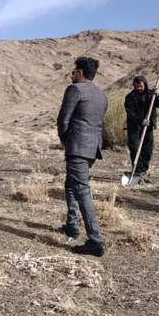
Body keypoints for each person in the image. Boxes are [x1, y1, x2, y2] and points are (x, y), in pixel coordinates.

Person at [56, 57, 109, 257]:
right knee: (71, 184)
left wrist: (63, 137)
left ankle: (96, 241)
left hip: (77, 146)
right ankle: (71, 225)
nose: (72, 74)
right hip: (93, 148)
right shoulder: (102, 95)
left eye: (73, 71)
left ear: (80, 72)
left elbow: (64, 117)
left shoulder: (75, 90)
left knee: (82, 191)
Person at [124, 76, 159, 182]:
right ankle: (137, 170)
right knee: (135, 148)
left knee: (147, 149)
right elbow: (130, 114)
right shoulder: (130, 97)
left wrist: (158, 96)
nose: (139, 88)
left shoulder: (151, 95)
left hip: (148, 127)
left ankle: (143, 170)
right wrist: (141, 120)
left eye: (141, 86)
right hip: (134, 127)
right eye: (137, 86)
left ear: (145, 85)